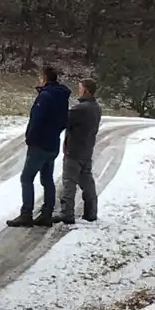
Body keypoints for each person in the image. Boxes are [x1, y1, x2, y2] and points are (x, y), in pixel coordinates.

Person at [7, 65, 71, 228]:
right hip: (53, 143)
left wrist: (30, 138)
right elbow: (65, 120)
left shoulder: (45, 97)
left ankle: (26, 213)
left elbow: (37, 119)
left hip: (40, 144)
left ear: (44, 79)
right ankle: (47, 213)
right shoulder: (62, 97)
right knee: (47, 178)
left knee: (26, 178)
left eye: (40, 78)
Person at [54, 78, 102, 224]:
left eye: (80, 88)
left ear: (86, 90)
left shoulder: (80, 109)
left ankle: (67, 213)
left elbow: (63, 121)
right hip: (87, 150)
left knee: (69, 182)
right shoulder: (96, 108)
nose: (78, 90)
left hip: (74, 151)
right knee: (87, 182)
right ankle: (91, 212)